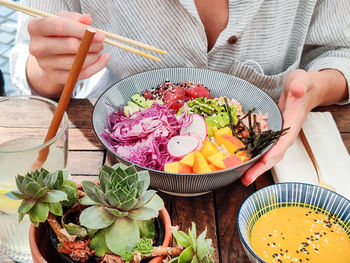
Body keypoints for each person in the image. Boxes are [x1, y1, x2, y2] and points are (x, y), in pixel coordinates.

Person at [10, 0, 350, 185]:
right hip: (115, 171)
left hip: (272, 175)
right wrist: (49, 69)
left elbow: (342, 50)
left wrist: (315, 88)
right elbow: (28, 62)